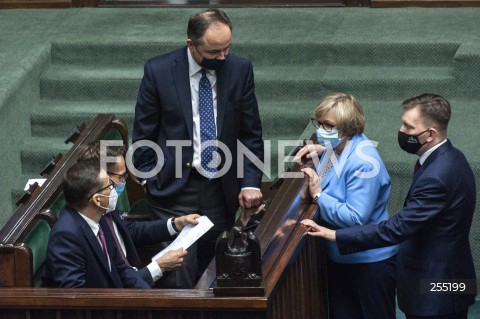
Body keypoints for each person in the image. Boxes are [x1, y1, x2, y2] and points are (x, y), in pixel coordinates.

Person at [301, 93, 477, 319]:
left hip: (437, 287)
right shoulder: (451, 158)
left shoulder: (437, 176)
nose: (401, 131)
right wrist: (328, 150)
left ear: (430, 135)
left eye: (408, 126)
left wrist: (336, 235)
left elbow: (397, 228)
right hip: (448, 275)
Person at [132, 8, 264, 288]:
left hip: (221, 190)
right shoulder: (159, 71)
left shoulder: (240, 69)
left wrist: (250, 183)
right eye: (215, 51)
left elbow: (250, 133)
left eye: (227, 48)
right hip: (173, 192)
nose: (223, 57)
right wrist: (149, 178)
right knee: (177, 273)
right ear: (191, 44)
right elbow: (143, 134)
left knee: (216, 270)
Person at [294, 93, 398, 319]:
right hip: (344, 258)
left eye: (329, 125)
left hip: (368, 263)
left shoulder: (363, 162)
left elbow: (355, 218)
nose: (321, 130)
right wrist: (321, 155)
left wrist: (319, 194)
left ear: (348, 128)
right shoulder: (341, 147)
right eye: (319, 123)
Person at [77, 141, 200, 286]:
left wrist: (176, 223)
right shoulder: (90, 223)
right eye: (121, 177)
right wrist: (158, 266)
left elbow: (132, 230)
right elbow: (112, 284)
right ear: (100, 176)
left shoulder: (106, 211)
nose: (123, 182)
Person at [42, 161, 150, 288]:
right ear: (97, 200)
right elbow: (76, 295)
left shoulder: (100, 217)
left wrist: (149, 297)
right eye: (109, 185)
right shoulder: (66, 236)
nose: (113, 189)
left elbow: (121, 269)